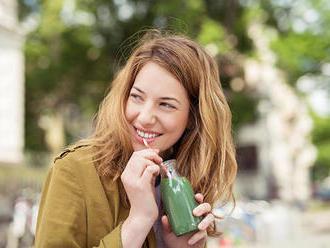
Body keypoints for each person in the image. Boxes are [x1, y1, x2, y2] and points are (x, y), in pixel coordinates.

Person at [34, 30, 237, 248]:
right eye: (137, 97)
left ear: (193, 117)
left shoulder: (188, 182)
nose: (144, 117)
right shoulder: (74, 170)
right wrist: (138, 221)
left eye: (166, 104)